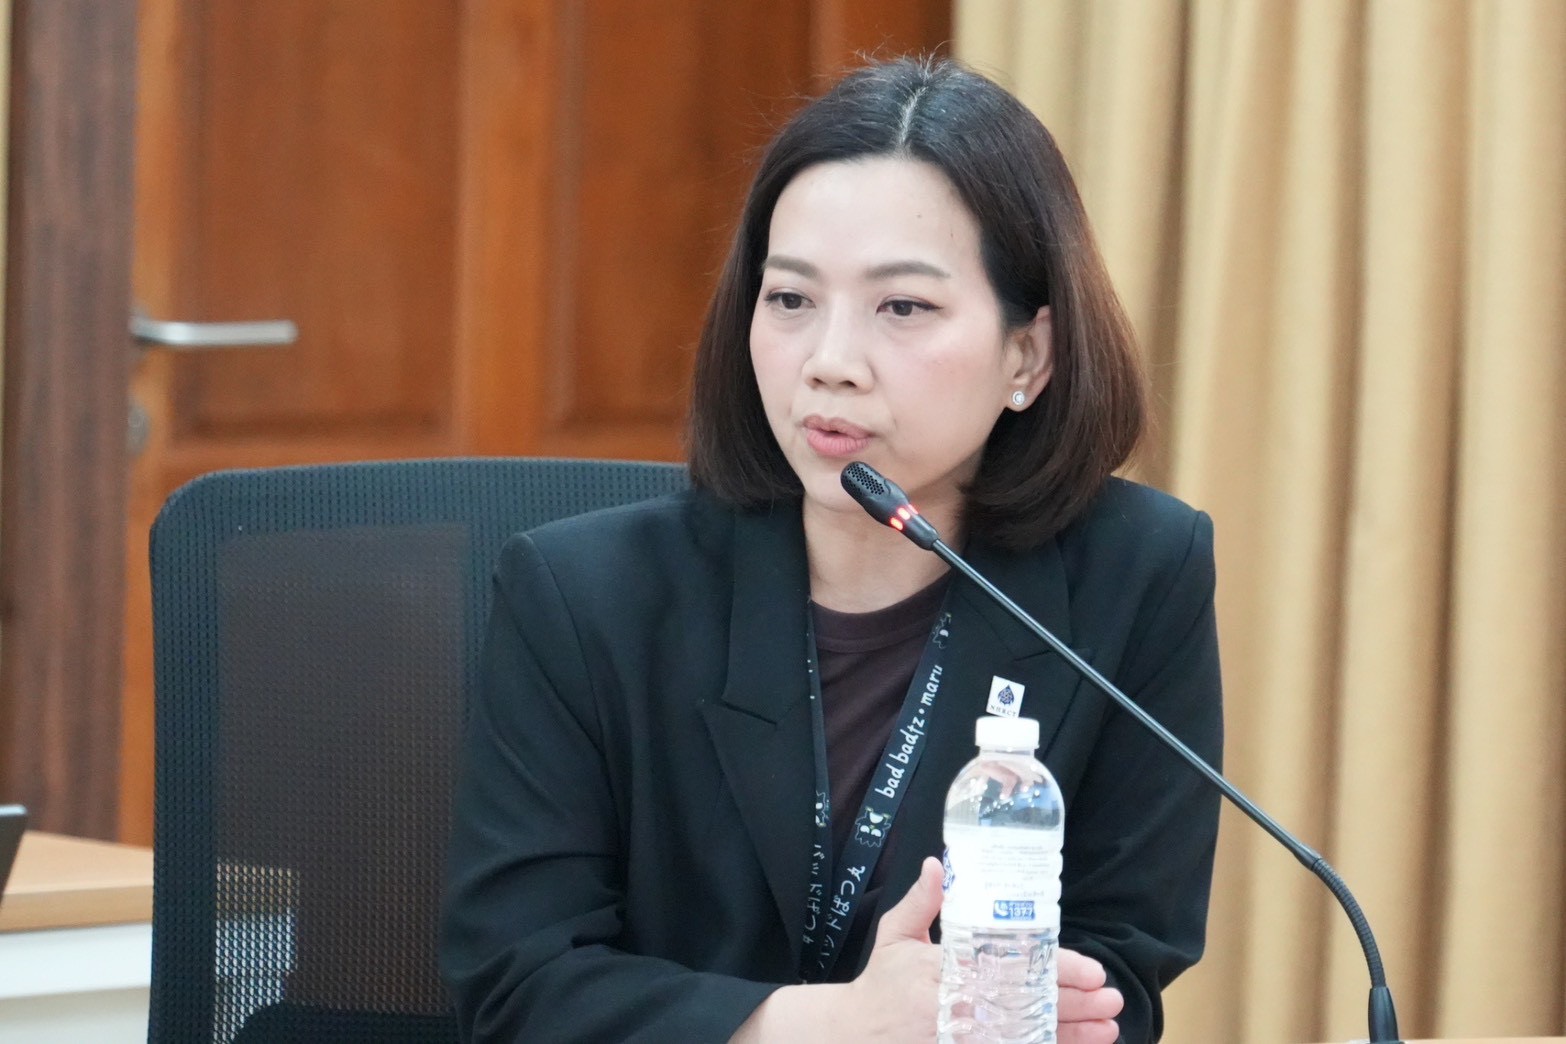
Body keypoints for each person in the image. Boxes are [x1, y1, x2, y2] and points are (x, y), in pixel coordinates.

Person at [440, 55, 1222, 1043]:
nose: (830, 363)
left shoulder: (1139, 572)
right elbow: (519, 986)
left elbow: (1120, 969)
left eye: (903, 307)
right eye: (791, 300)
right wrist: (827, 1023)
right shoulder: (580, 595)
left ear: (1028, 353)